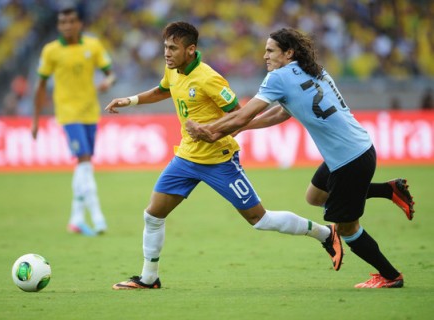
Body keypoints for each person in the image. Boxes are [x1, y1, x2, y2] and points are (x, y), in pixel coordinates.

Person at [105, 21, 343, 290]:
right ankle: (149, 278)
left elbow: (238, 115)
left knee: (260, 220)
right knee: (153, 215)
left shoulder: (209, 78)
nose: (167, 53)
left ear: (191, 49)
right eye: (165, 47)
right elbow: (163, 89)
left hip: (220, 161)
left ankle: (324, 233)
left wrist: (213, 133)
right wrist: (130, 100)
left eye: (173, 48)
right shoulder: (173, 70)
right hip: (186, 159)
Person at [186, 28, 415, 288]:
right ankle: (389, 190)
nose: (265, 56)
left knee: (347, 229)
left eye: (270, 50)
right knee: (315, 197)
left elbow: (242, 114)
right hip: (355, 149)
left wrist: (211, 131)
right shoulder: (314, 69)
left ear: (288, 53)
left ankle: (389, 275)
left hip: (348, 161)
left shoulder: (278, 78)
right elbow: (282, 113)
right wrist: (241, 128)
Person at [32, 7, 116, 236]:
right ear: (59, 26)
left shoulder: (93, 46)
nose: (67, 26)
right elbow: (40, 86)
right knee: (85, 160)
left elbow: (110, 72)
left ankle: (76, 218)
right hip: (68, 113)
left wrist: (108, 81)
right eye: (62, 22)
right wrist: (36, 119)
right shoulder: (51, 51)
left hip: (90, 112)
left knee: (83, 165)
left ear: (79, 24)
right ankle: (98, 217)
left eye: (71, 21)